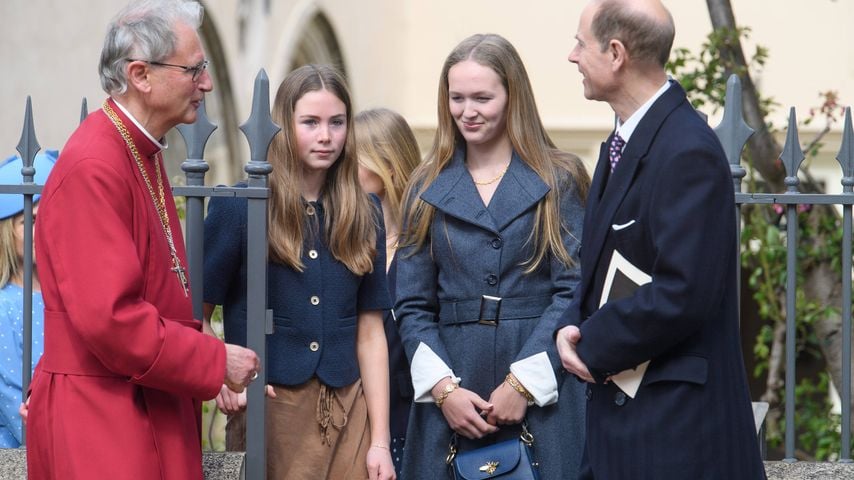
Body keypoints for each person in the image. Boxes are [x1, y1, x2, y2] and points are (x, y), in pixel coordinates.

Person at [26, 1, 260, 478]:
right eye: (194, 70)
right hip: (105, 418)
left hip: (141, 398)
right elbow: (113, 320)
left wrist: (200, 367)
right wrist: (212, 360)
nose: (207, 84)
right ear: (140, 75)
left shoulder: (140, 150)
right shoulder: (95, 165)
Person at [555, 1, 766, 478]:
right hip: (629, 422)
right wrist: (570, 325)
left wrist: (590, 343)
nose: (571, 56)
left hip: (674, 433)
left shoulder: (687, 148)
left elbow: (684, 291)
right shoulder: (627, 139)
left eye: (579, 43)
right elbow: (600, 266)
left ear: (615, 53)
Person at [395, 33, 590, 478]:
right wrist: (444, 391)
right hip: (450, 384)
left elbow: (573, 288)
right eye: (457, 98)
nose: (468, 111)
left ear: (513, 96)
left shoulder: (559, 178)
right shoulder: (424, 185)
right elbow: (411, 304)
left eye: (483, 97)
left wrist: (523, 384)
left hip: (542, 385)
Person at [204, 64, 396, 480]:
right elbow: (193, 313)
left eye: (336, 123)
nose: (326, 136)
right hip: (270, 407)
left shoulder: (366, 212)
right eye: (310, 122)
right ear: (282, 125)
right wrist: (215, 367)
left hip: (351, 407)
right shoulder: (239, 207)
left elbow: (371, 332)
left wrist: (380, 439)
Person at [354, 108, 421, 472]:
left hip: (416, 415)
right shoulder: (347, 238)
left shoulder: (425, 241)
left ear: (388, 166)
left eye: (353, 158)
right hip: (354, 412)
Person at [0, 151, 55, 447]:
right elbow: (12, 400)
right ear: (6, 232)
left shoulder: (69, 298)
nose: (42, 227)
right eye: (29, 220)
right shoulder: (3, 307)